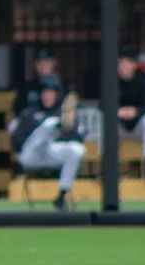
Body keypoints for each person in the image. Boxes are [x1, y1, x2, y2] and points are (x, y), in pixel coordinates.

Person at [8, 76, 86, 211]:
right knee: (47, 126)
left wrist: (67, 125)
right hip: (30, 156)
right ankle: (51, 128)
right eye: (45, 92)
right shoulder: (30, 113)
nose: (47, 96)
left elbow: (79, 138)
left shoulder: (63, 115)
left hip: (51, 153)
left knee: (77, 150)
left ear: (57, 94)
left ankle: (61, 196)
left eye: (51, 93)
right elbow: (16, 138)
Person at [117, 46, 145, 175]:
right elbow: (103, 105)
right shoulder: (110, 80)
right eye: (120, 63)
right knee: (104, 121)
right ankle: (107, 164)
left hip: (138, 127)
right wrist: (117, 112)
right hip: (119, 127)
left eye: (126, 63)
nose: (122, 66)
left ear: (134, 65)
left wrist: (136, 112)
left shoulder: (144, 80)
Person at [13, 46, 60, 117]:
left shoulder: (64, 86)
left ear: (54, 63)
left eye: (46, 62)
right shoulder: (27, 87)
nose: (43, 66)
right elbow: (18, 109)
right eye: (39, 63)